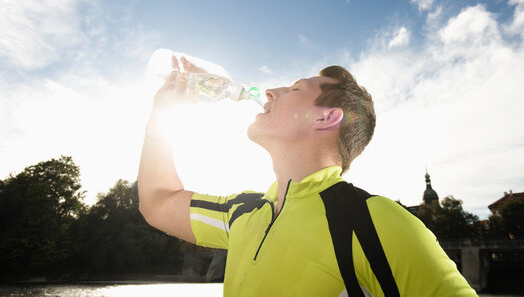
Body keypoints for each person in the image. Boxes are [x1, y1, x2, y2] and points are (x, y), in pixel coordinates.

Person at [138, 56, 477, 296]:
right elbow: (158, 203)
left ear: (326, 118)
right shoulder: (241, 213)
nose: (270, 91)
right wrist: (162, 113)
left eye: (295, 89)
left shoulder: (375, 222)